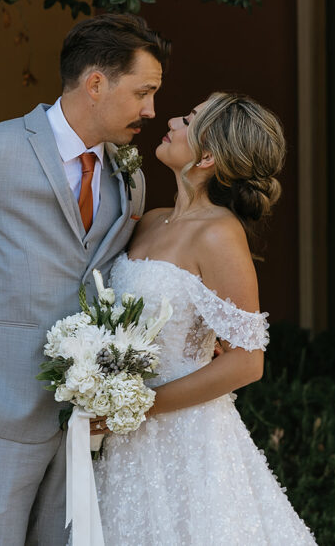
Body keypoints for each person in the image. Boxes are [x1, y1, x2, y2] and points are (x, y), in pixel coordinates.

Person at [0, 13, 170, 545]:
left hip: (82, 425)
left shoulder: (130, 174)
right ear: (96, 83)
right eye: (144, 92)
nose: (151, 110)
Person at [89, 92, 316, 543]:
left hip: (186, 441)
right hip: (123, 443)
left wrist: (139, 408)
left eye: (188, 120)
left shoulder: (219, 234)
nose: (172, 119)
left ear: (208, 156)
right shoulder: (150, 219)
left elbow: (247, 362)